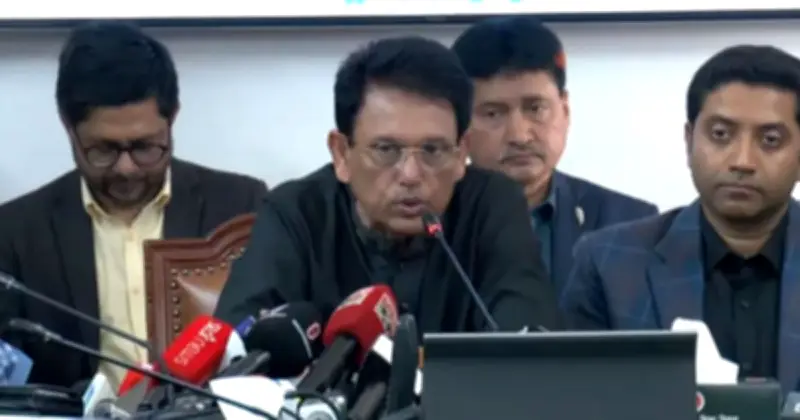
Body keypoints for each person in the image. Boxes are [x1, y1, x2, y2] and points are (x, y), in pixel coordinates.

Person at [215, 36, 562, 334]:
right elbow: (239, 341)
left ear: (461, 154)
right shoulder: (296, 212)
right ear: (341, 153)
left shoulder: (493, 205)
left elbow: (527, 337)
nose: (410, 174)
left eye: (432, 150)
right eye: (386, 150)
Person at [0, 22, 267, 388]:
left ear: (172, 118)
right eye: (104, 150)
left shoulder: (240, 207)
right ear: (68, 127)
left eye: (144, 147)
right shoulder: (16, 234)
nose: (126, 169)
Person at [561, 45, 800, 392]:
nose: (742, 160)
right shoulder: (608, 263)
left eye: (770, 140)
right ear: (689, 142)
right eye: (721, 135)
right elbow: (577, 400)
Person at [451, 17, 658, 292]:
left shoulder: (630, 224)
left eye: (536, 108)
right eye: (492, 113)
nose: (519, 136)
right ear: (459, 124)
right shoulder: (428, 223)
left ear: (565, 110)